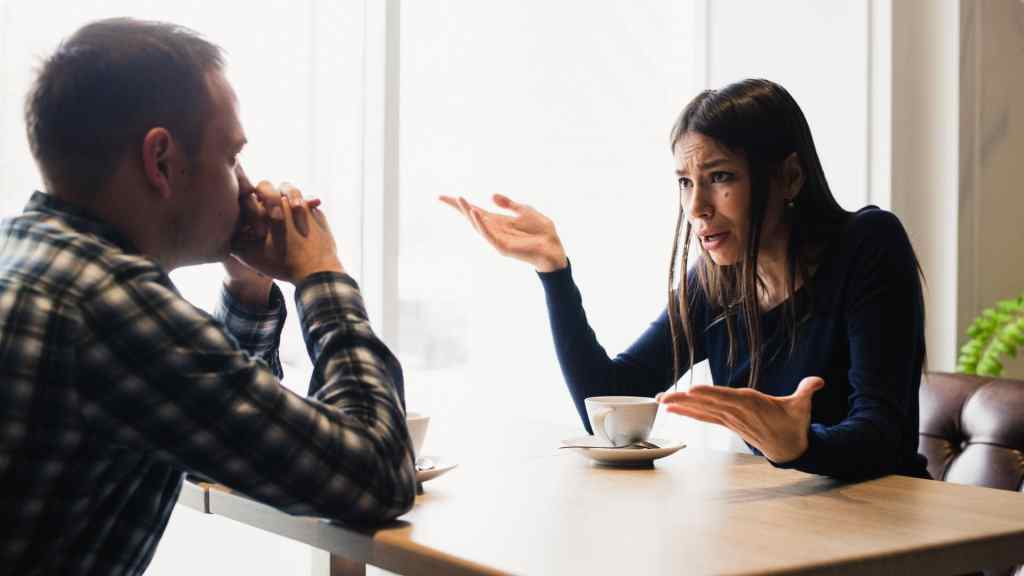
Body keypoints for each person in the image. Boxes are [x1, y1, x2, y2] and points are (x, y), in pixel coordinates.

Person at [0, 18, 415, 575]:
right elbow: (376, 476)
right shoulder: (107, 305)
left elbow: (215, 433)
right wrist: (322, 275)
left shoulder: (30, 254)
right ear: (162, 160)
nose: (246, 186)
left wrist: (247, 293)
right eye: (231, 156)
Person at [442, 78, 929, 481]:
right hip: (794, 529)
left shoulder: (868, 243)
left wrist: (800, 444)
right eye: (684, 182)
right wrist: (554, 272)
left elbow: (883, 434)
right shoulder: (715, 284)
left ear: (791, 178)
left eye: (720, 177)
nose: (696, 208)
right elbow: (611, 398)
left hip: (899, 534)